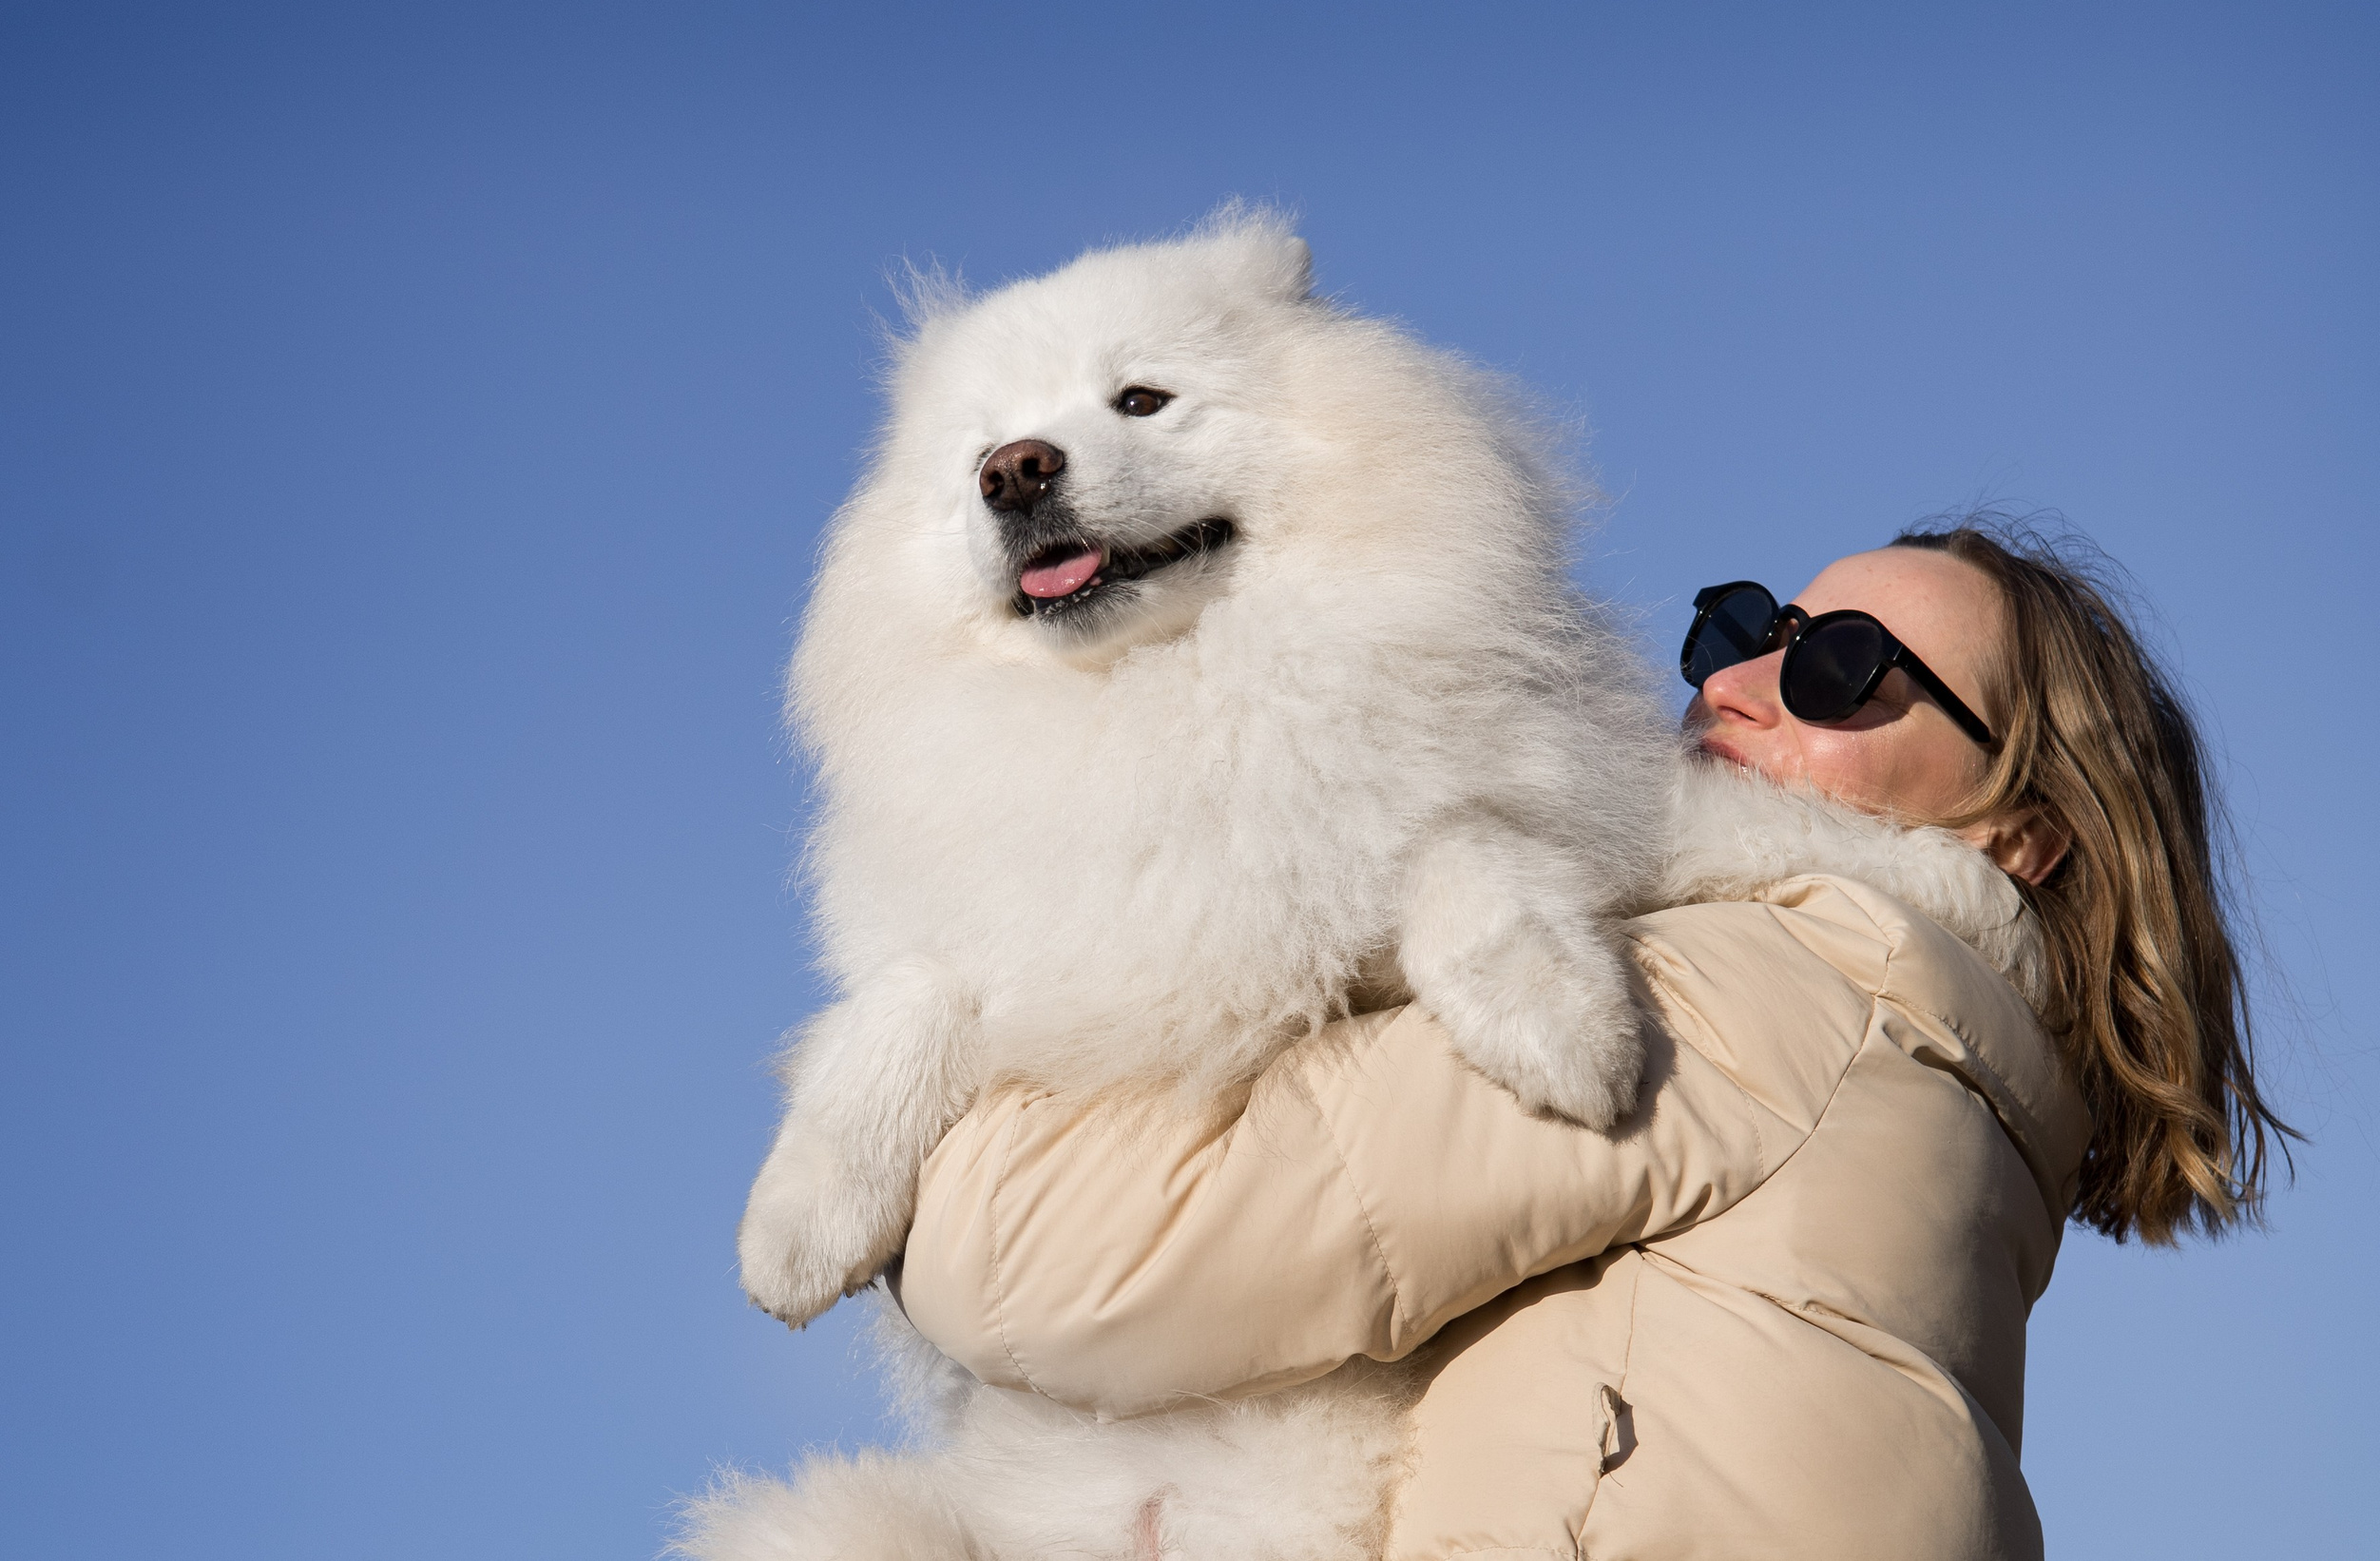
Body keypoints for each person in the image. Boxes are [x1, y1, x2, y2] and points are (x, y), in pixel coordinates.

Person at [889, 520, 2290, 1559]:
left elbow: (1059, 1266)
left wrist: (933, 1101)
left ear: (2019, 830)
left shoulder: (1787, 985)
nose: (1741, 680)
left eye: (1850, 671)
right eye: (1745, 626)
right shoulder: (1935, 1076)